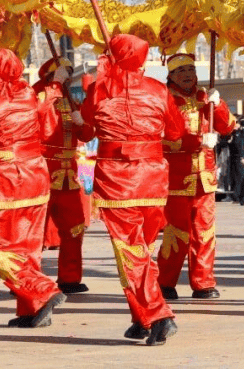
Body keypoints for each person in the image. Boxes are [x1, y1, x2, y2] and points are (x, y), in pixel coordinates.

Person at [79, 33, 184, 345]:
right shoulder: (158, 89)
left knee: (131, 254)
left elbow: (86, 129)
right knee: (141, 251)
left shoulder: (100, 89)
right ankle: (141, 317)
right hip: (153, 176)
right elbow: (176, 131)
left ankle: (158, 314)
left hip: (117, 178)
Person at [0, 48, 64, 327]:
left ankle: (44, 291)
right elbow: (45, 132)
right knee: (29, 248)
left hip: (8, 179)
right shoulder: (30, 96)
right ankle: (30, 310)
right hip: (37, 174)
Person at [158, 52, 235, 301]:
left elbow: (228, 126)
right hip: (176, 178)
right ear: (170, 75)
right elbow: (162, 139)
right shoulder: (164, 99)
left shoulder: (204, 96)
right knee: (176, 233)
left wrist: (218, 104)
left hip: (205, 177)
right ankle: (165, 281)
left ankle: (203, 283)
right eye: (181, 71)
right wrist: (197, 141)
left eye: (191, 70)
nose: (188, 75)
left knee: (205, 233)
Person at [32, 56, 91, 294]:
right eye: (63, 72)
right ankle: (27, 279)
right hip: (42, 171)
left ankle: (69, 278)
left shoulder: (69, 99)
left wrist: (83, 125)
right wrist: (54, 87)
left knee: (75, 227)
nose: (67, 76)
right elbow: (34, 114)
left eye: (68, 72)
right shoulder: (37, 94)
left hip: (68, 174)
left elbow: (86, 135)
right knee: (35, 231)